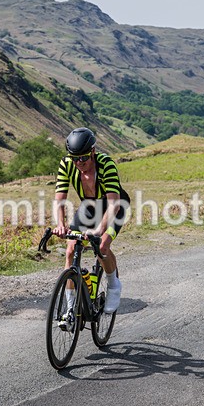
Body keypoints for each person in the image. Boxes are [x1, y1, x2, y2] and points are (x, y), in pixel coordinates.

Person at [53, 127, 130, 318]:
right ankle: (70, 308)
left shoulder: (106, 164)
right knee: (70, 250)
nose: (79, 162)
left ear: (93, 151)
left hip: (115, 206)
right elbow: (59, 199)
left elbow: (113, 204)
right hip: (89, 207)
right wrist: (60, 224)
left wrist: (99, 230)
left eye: (84, 157)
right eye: (75, 158)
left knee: (102, 246)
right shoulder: (66, 164)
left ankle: (114, 286)